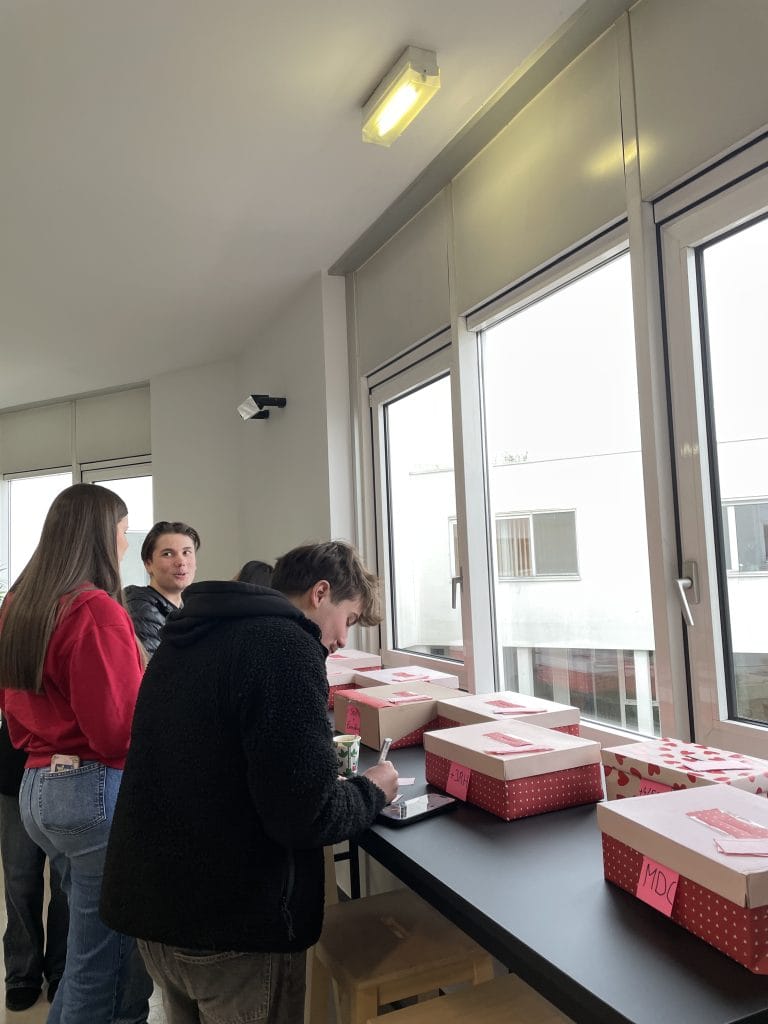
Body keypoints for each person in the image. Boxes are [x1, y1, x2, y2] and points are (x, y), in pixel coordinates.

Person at [100, 540, 398, 1024]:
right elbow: (306, 815)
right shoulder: (286, 648)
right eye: (349, 619)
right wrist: (374, 789)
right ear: (320, 593)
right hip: (231, 929)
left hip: (156, 912)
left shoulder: (191, 633)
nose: (344, 639)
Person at [0, 483, 153, 1024]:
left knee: (94, 958)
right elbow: (117, 733)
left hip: (37, 787)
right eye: (123, 531)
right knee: (98, 967)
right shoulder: (95, 610)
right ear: (101, 534)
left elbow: (15, 711)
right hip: (91, 792)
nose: (125, 542)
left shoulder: (19, 604)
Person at [0, 716, 68, 1011]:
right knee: (19, 876)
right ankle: (22, 972)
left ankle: (62, 967)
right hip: (16, 764)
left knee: (65, 882)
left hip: (66, 762)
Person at [124, 520, 200, 656]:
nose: (181, 562)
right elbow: (154, 666)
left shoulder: (189, 610)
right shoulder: (141, 609)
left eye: (186, 552)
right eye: (168, 554)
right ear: (148, 564)